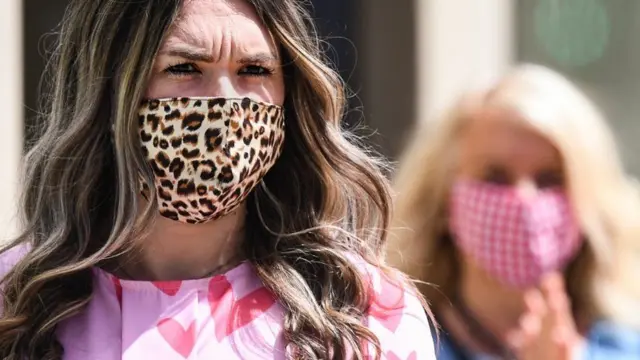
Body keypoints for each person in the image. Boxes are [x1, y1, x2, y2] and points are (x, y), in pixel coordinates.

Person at [0, 1, 436, 359]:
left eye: (255, 71)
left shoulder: (364, 314)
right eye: (185, 67)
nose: (226, 101)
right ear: (110, 91)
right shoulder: (14, 303)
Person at [388, 64, 640, 359]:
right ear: (444, 201)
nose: (523, 198)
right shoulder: (402, 344)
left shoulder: (625, 347)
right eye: (494, 176)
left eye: (550, 179)